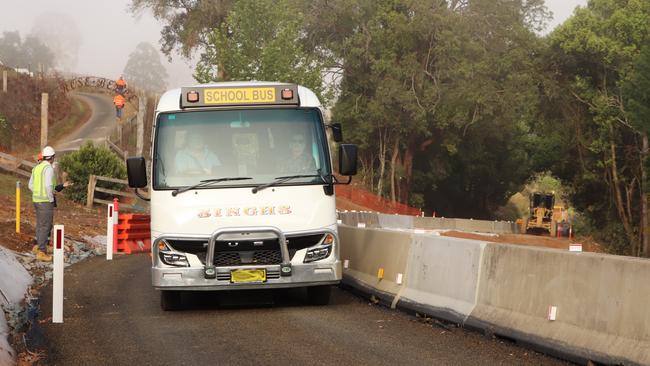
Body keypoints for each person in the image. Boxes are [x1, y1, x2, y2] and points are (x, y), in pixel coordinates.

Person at [28, 146, 72, 261]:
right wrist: (50, 198)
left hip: (37, 200)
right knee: (46, 226)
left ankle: (39, 246)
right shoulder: (48, 169)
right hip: (45, 202)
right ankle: (41, 252)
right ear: (52, 157)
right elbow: (48, 186)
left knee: (40, 224)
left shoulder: (37, 168)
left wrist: (39, 192)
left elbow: (30, 185)